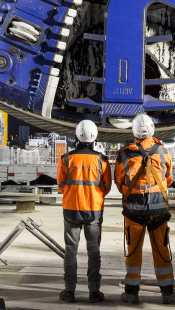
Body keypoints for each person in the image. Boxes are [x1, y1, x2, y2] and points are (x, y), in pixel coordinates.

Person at [115, 114, 175, 304]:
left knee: (134, 251)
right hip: (158, 209)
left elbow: (119, 182)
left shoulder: (124, 154)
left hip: (133, 210)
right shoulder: (164, 152)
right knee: (161, 249)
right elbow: (169, 179)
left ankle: (132, 294)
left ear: (133, 131)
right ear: (152, 129)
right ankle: (167, 294)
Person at [59, 120, 112, 303]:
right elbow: (106, 187)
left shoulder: (66, 159)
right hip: (93, 212)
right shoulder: (102, 161)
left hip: (71, 211)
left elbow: (61, 186)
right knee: (93, 251)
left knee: (70, 251)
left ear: (76, 136)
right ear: (95, 137)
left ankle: (69, 291)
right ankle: (94, 292)